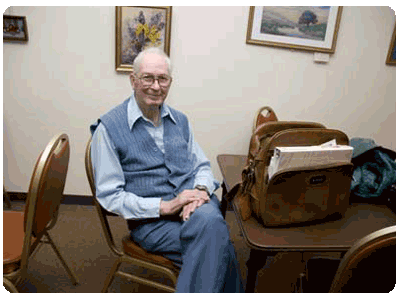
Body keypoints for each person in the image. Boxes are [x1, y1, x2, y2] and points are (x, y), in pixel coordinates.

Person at [90, 47, 244, 293]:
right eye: (148, 78)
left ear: (170, 82)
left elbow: (201, 165)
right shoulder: (108, 129)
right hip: (152, 224)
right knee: (218, 242)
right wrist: (167, 206)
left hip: (197, 209)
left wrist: (202, 190)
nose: (156, 86)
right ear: (133, 80)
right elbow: (110, 197)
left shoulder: (180, 120)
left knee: (209, 225)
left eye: (162, 79)